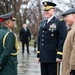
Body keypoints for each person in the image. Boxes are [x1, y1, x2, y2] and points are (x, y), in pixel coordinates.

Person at [36, 1, 67, 75]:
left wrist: (59, 55)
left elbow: (62, 39)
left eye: (48, 10)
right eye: (44, 10)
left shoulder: (59, 22)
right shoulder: (42, 23)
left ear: (53, 10)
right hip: (43, 57)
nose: (45, 12)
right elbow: (40, 39)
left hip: (53, 57)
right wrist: (38, 55)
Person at [62, 8, 75, 75]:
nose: (65, 19)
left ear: (73, 16)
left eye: (66, 16)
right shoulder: (71, 29)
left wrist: (73, 68)